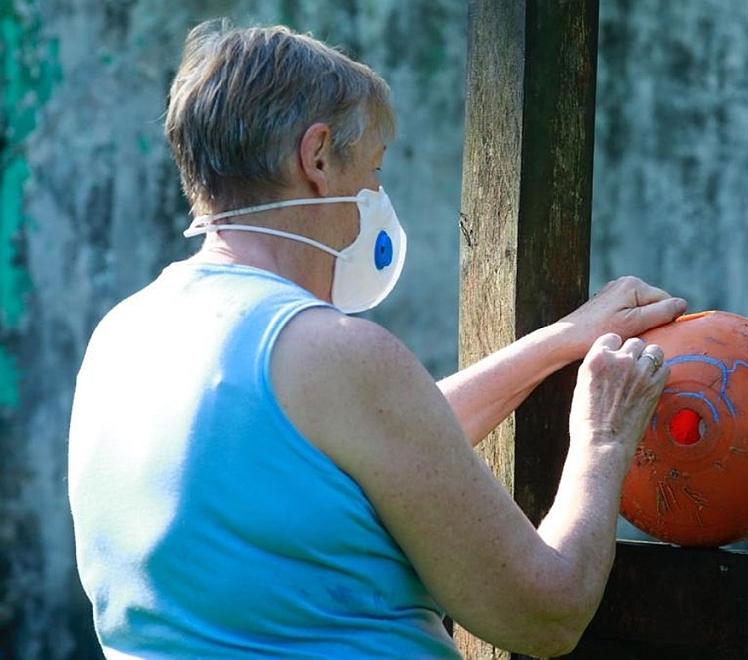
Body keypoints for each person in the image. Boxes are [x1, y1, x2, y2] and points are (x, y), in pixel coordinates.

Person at [68, 21, 687, 658]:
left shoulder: (122, 337)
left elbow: (369, 449)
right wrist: (604, 436)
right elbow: (546, 615)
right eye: (373, 168)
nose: (376, 194)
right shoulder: (335, 351)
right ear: (316, 158)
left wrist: (557, 342)